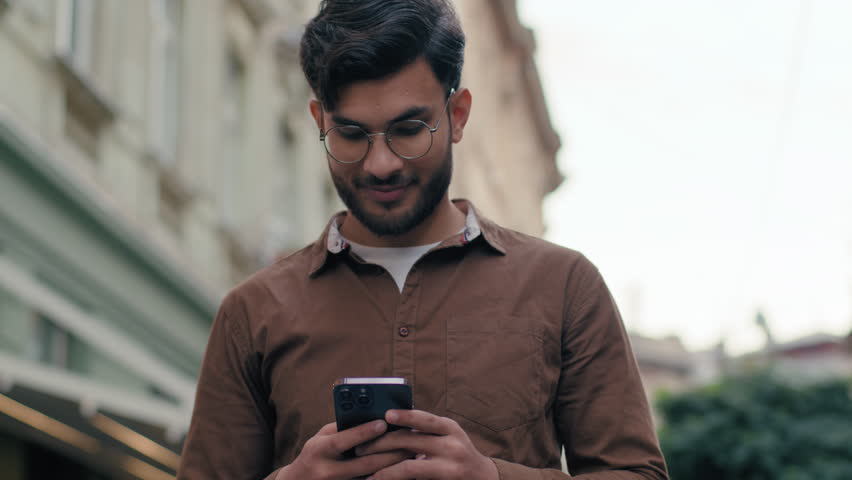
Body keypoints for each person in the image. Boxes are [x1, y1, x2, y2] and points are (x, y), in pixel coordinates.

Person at [177, 0, 669, 479]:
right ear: (319, 122)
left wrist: (490, 477)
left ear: (457, 115)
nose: (380, 164)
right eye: (350, 134)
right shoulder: (252, 312)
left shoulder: (564, 287)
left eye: (408, 130)